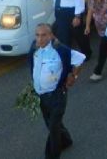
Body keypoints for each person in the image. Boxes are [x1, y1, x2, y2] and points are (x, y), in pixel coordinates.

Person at [29, 23, 85, 159]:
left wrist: (73, 75)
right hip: (41, 95)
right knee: (51, 123)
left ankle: (52, 155)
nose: (40, 39)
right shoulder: (33, 48)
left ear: (51, 35)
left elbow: (80, 59)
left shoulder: (61, 50)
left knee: (53, 128)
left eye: (43, 35)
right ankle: (66, 140)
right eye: (37, 35)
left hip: (57, 95)